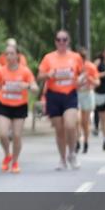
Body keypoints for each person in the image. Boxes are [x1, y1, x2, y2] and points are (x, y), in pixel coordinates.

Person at [37, 30, 84, 170]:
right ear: (55, 42)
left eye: (64, 39)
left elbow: (82, 74)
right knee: (59, 129)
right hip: (53, 95)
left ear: (68, 41)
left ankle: (72, 154)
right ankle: (62, 159)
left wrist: (81, 80)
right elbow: (39, 76)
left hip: (70, 94)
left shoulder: (75, 57)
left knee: (70, 125)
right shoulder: (48, 58)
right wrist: (47, 75)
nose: (62, 42)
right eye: (59, 39)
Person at [0, 47, 39, 173]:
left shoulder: (25, 71)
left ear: (17, 55)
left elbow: (35, 88)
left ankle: (15, 162)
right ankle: (7, 154)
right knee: (2, 134)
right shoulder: (1, 71)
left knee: (17, 135)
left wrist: (28, 86)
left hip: (19, 106)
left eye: (11, 54)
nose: (9, 56)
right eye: (6, 54)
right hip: (3, 105)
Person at [76, 48, 99, 153]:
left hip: (87, 94)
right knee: (77, 119)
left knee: (85, 122)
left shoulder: (91, 67)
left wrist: (90, 79)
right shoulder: (74, 66)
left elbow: (97, 82)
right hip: (77, 94)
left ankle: (86, 142)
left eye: (83, 58)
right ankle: (77, 141)